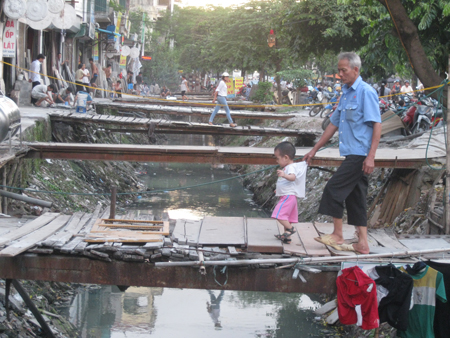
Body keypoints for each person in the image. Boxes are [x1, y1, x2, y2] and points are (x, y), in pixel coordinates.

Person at [303, 52, 382, 254]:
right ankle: (362, 243)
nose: (340, 74)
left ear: (355, 69)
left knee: (333, 189)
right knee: (356, 197)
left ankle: (338, 234)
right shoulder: (346, 92)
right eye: (338, 70)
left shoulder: (366, 92)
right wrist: (314, 150)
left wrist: (371, 156)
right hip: (351, 153)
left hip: (360, 154)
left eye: (343, 70)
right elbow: (332, 125)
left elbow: (377, 125)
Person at [272, 141, 308, 243]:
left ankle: (291, 229)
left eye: (278, 158)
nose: (276, 161)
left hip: (288, 196)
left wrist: (284, 175)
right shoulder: (287, 167)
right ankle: (287, 237)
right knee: (286, 217)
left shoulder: (291, 167)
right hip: (289, 196)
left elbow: (292, 178)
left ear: (286, 158)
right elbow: (286, 183)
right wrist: (278, 190)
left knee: (279, 215)